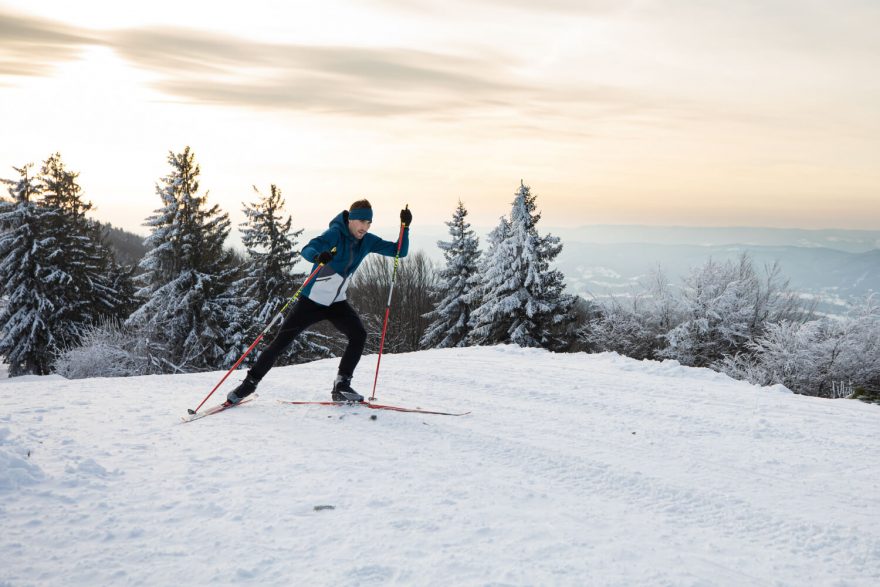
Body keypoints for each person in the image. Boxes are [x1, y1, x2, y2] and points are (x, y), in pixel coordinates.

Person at [226, 199, 411, 404]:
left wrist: (405, 228)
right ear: (350, 219)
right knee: (281, 343)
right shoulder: (335, 234)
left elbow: (399, 252)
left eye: (369, 223)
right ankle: (248, 385)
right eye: (361, 221)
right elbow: (307, 248)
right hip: (311, 301)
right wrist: (318, 256)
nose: (365, 227)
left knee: (358, 334)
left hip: (337, 303)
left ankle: (341, 385)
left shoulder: (366, 241)